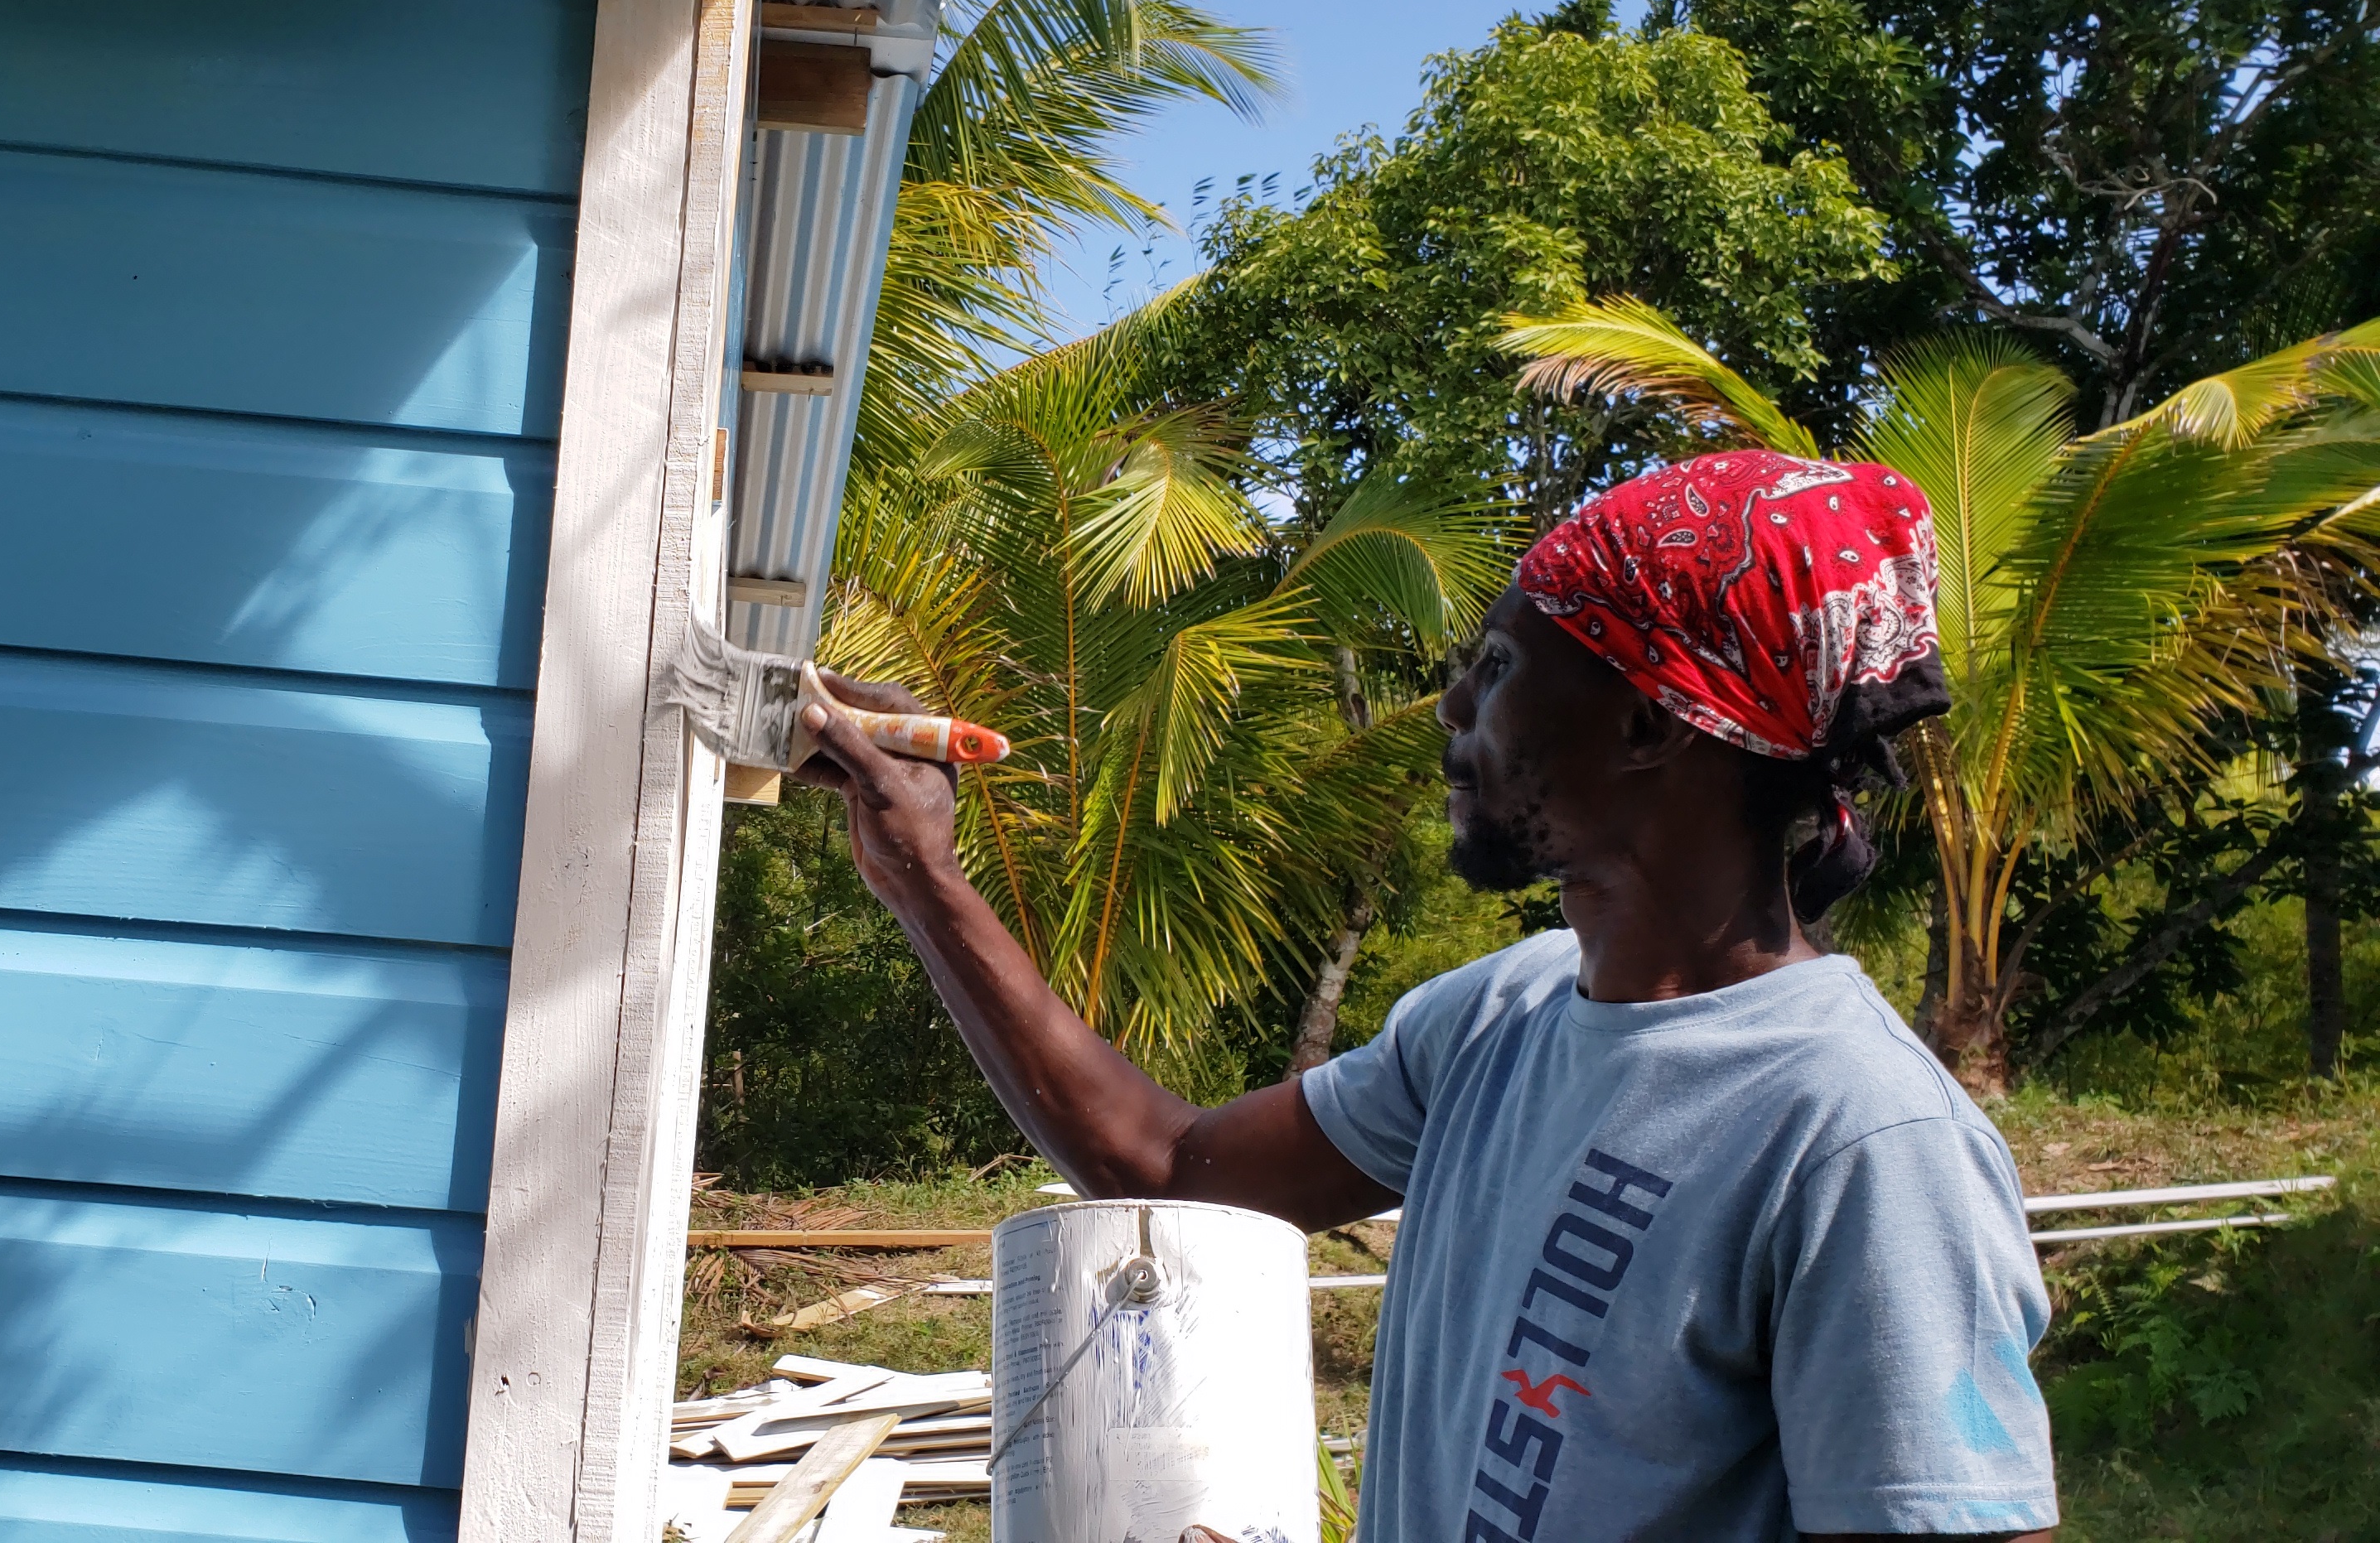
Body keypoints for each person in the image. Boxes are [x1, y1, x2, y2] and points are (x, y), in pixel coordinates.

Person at [788, 451, 2059, 1542]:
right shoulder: (1500, 1020)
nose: (1454, 705)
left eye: (1502, 666)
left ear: (1650, 728)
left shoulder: (1863, 1146)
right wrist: (922, 877)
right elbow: (1173, 1170)